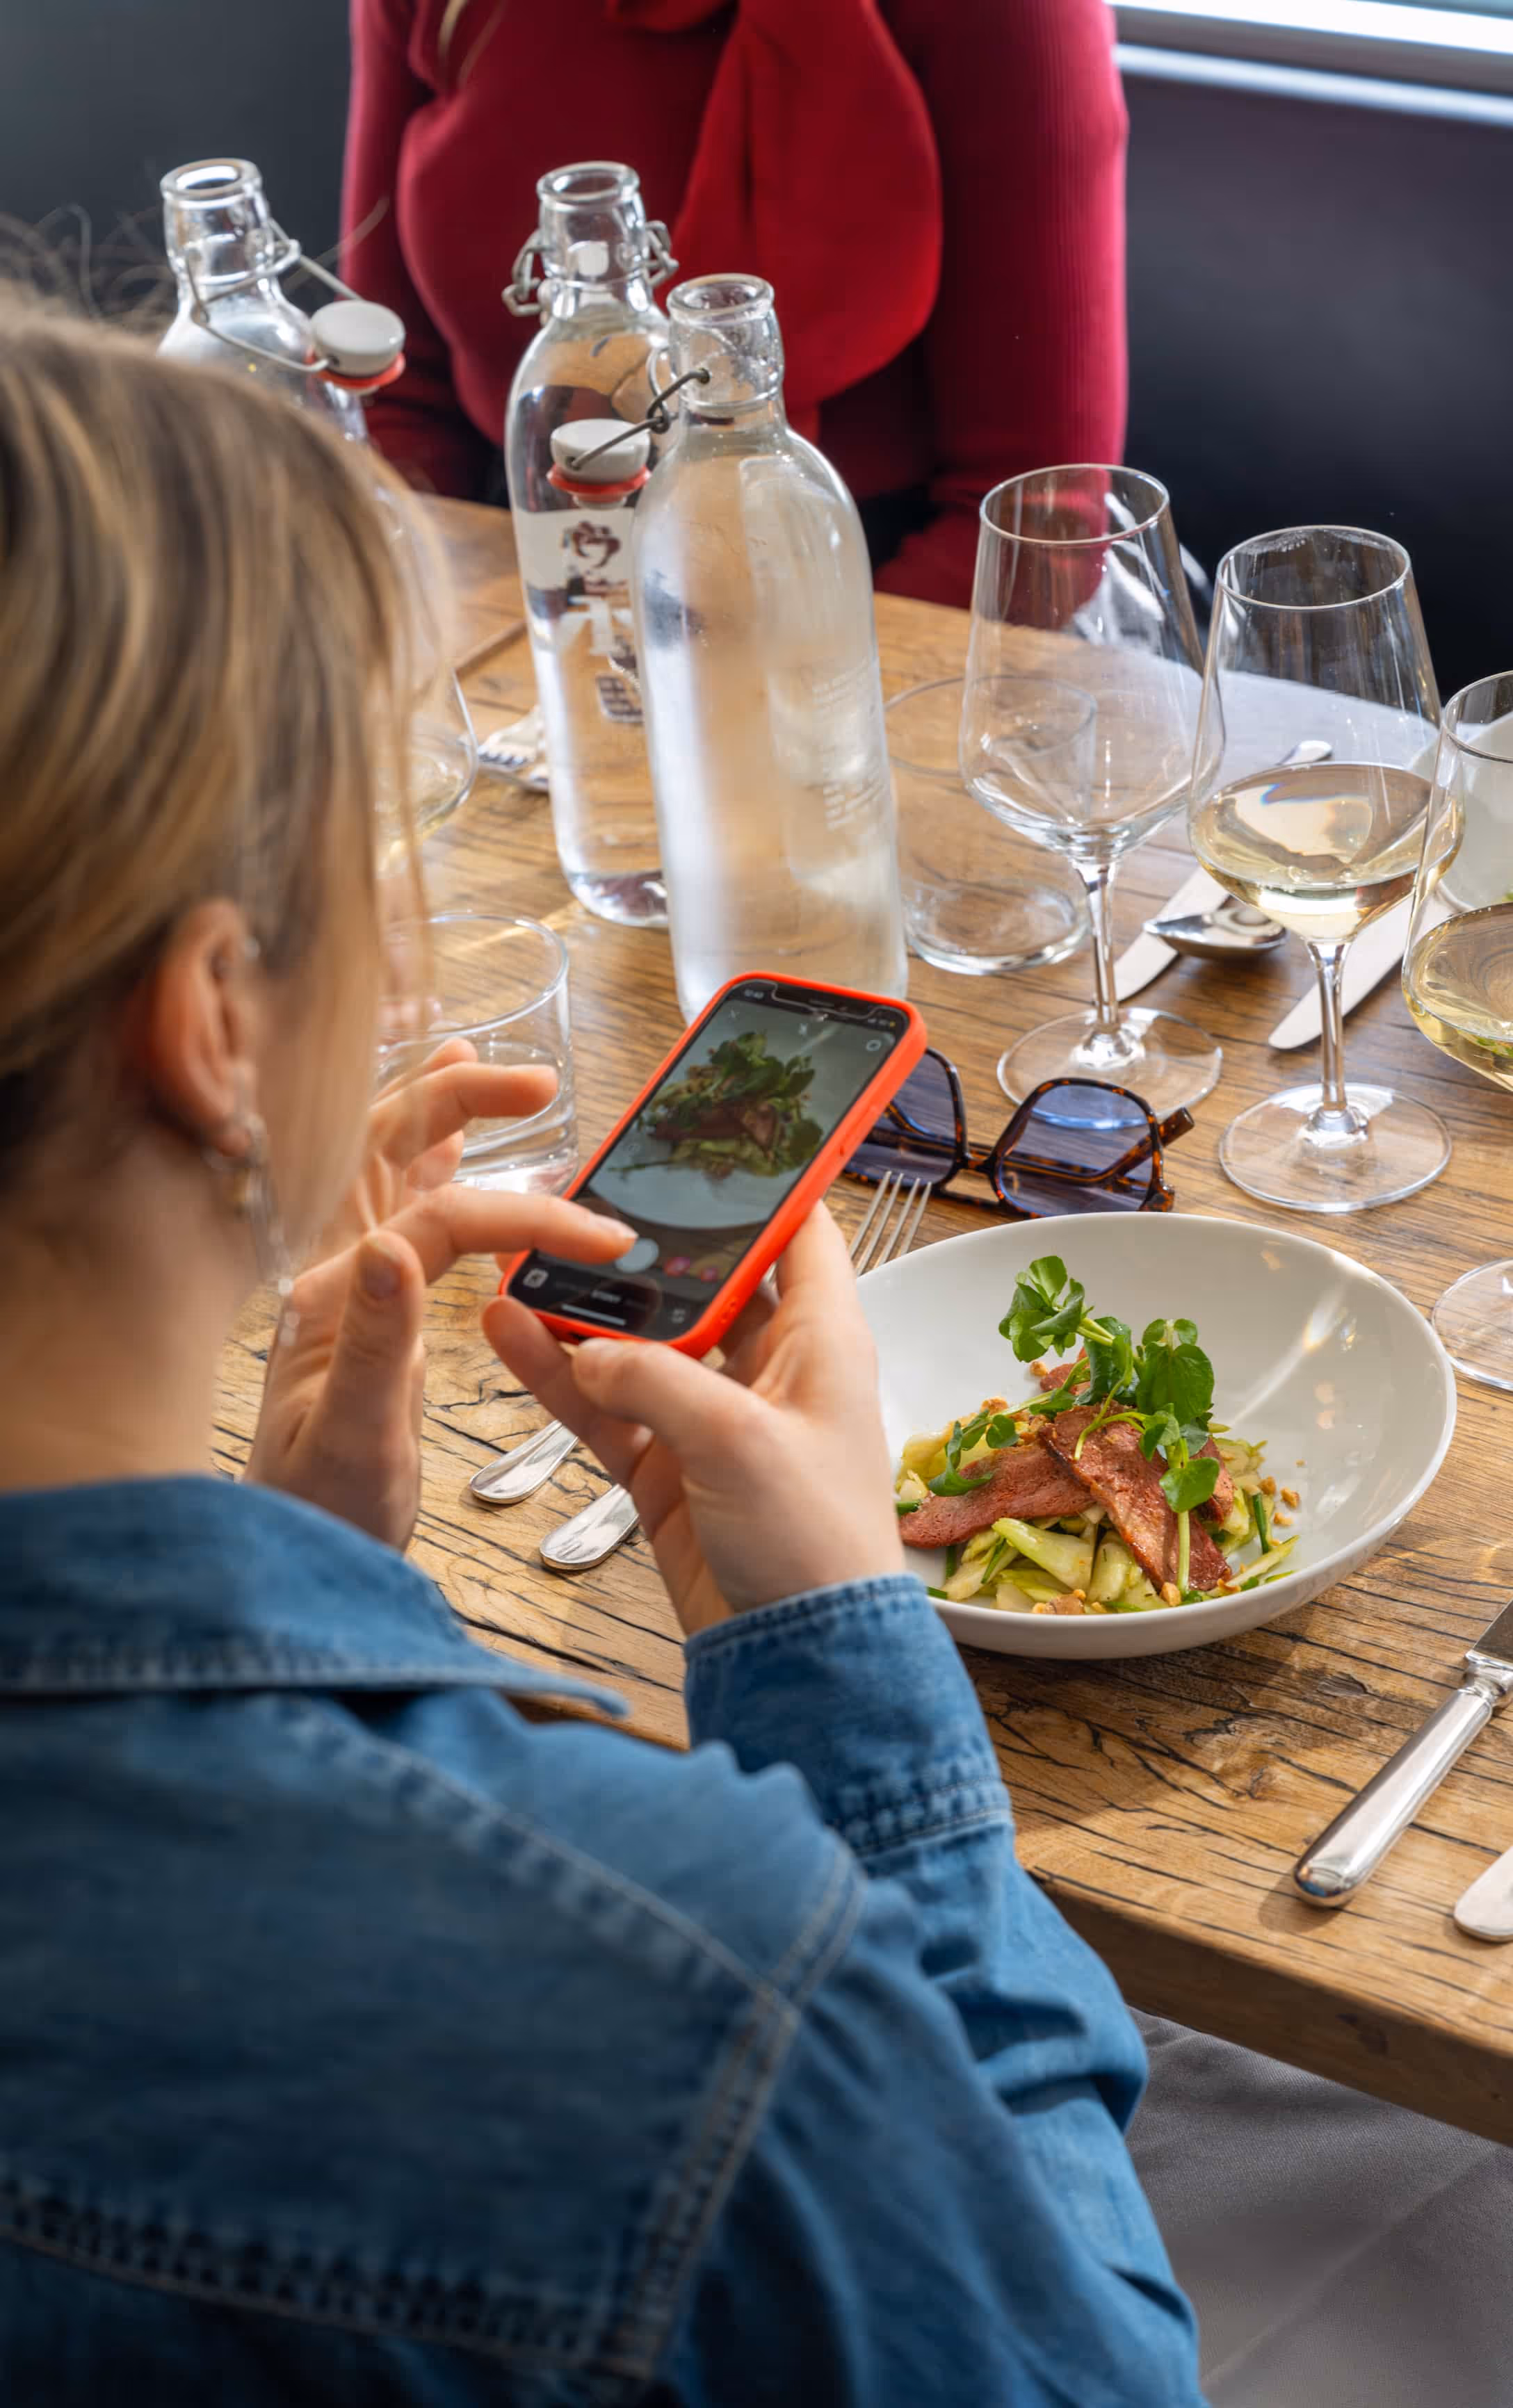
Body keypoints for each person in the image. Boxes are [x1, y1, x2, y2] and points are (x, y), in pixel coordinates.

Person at [0, 303, 1204, 2400]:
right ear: (212, 1024)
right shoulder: (683, 1980)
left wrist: (328, 1579)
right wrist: (853, 1673)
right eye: (376, 848)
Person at [341, 0, 1128, 605]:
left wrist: (768, 705)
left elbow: (1037, 522)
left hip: (871, 606)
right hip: (531, 574)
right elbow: (393, 401)